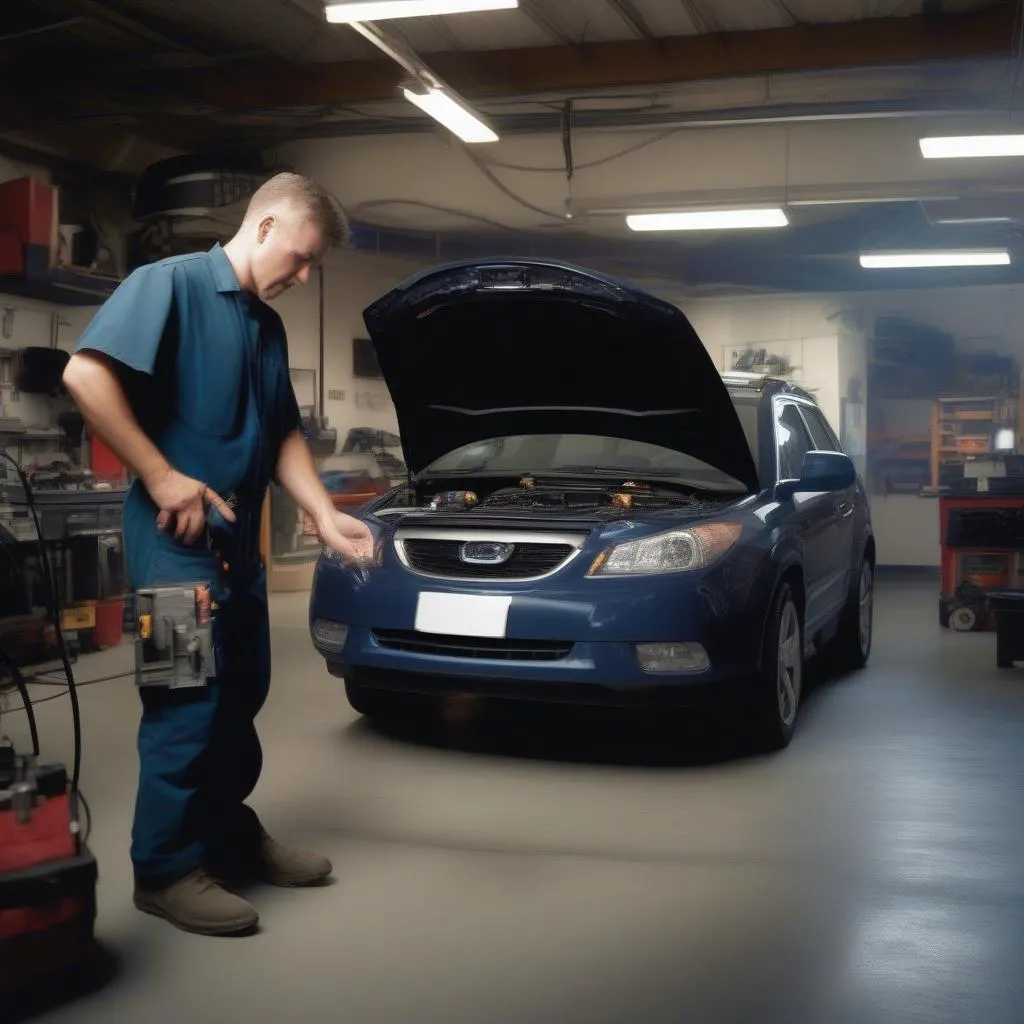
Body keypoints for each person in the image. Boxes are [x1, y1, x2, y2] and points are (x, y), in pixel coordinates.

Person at [63, 172, 374, 937]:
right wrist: (161, 474)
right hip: (174, 546)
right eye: (300, 259)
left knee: (241, 693)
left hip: (240, 546)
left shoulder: (263, 327)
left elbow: (284, 436)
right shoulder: (166, 285)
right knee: (184, 700)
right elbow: (84, 373)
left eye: (312, 269)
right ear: (264, 225)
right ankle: (163, 870)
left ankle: (226, 834)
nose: (302, 278)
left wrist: (325, 514)